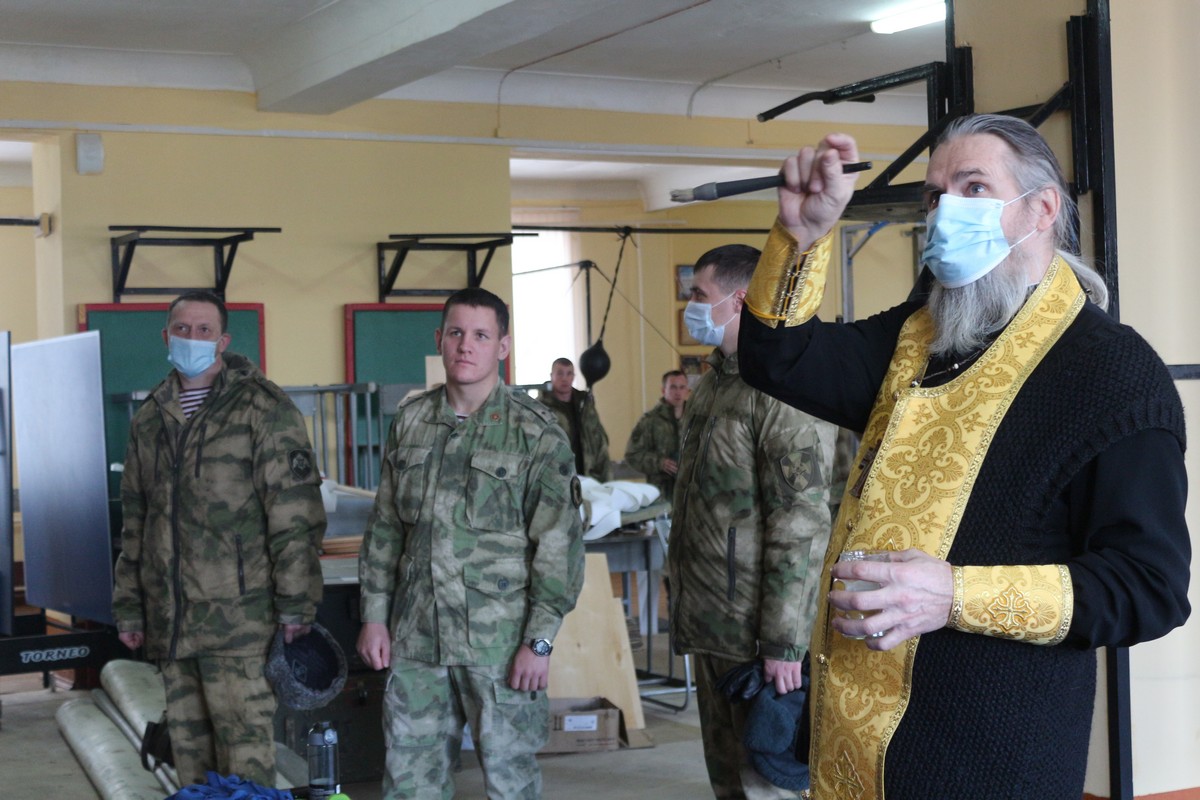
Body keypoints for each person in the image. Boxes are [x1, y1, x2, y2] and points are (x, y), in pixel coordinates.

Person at [738, 114, 1191, 800]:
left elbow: (1148, 588)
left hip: (992, 753)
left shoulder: (1113, 372)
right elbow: (779, 358)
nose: (946, 209)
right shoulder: (919, 336)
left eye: (973, 187)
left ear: (1042, 209)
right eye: (935, 194)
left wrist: (953, 595)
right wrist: (802, 237)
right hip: (854, 739)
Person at [357, 287, 585, 799]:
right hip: (417, 639)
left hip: (499, 647)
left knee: (510, 784)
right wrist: (374, 615)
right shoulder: (412, 421)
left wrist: (539, 642)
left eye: (481, 335)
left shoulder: (536, 433)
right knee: (409, 783)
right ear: (440, 339)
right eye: (456, 333)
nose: (466, 345)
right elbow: (386, 527)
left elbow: (559, 548)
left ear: (502, 347)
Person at [112, 290, 326, 786]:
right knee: (189, 759)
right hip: (172, 623)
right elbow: (136, 520)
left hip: (240, 625)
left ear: (223, 340)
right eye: (182, 329)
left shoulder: (262, 408)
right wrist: (130, 607)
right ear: (166, 337)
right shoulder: (151, 417)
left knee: (244, 757)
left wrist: (297, 604)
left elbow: (295, 515)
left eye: (204, 330)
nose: (192, 338)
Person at [668, 244, 838, 799]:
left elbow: (800, 523)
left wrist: (784, 642)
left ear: (739, 300)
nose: (691, 307)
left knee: (766, 782)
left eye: (700, 295)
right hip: (710, 624)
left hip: (754, 634)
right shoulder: (715, 383)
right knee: (727, 781)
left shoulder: (782, 390)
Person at [538, 357, 612, 482]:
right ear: (551, 376)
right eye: (560, 373)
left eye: (569, 373)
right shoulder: (541, 407)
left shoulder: (585, 405)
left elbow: (599, 440)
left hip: (589, 477)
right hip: (556, 479)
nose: (565, 378)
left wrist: (607, 480)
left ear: (574, 377)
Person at [624, 369, 690, 499]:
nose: (678, 392)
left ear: (687, 390)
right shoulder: (650, 421)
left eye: (682, 387)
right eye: (673, 387)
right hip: (660, 493)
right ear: (663, 390)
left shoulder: (696, 420)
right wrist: (659, 463)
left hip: (690, 493)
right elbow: (632, 455)